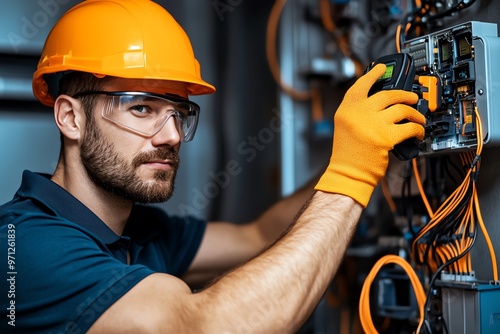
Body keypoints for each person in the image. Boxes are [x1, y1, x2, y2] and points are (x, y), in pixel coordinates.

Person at [0, 0, 425, 332]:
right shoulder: (23, 246)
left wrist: (368, 155)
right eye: (142, 108)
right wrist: (352, 175)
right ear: (71, 118)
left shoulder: (143, 232)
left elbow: (258, 235)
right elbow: (206, 324)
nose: (170, 135)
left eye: (178, 113)